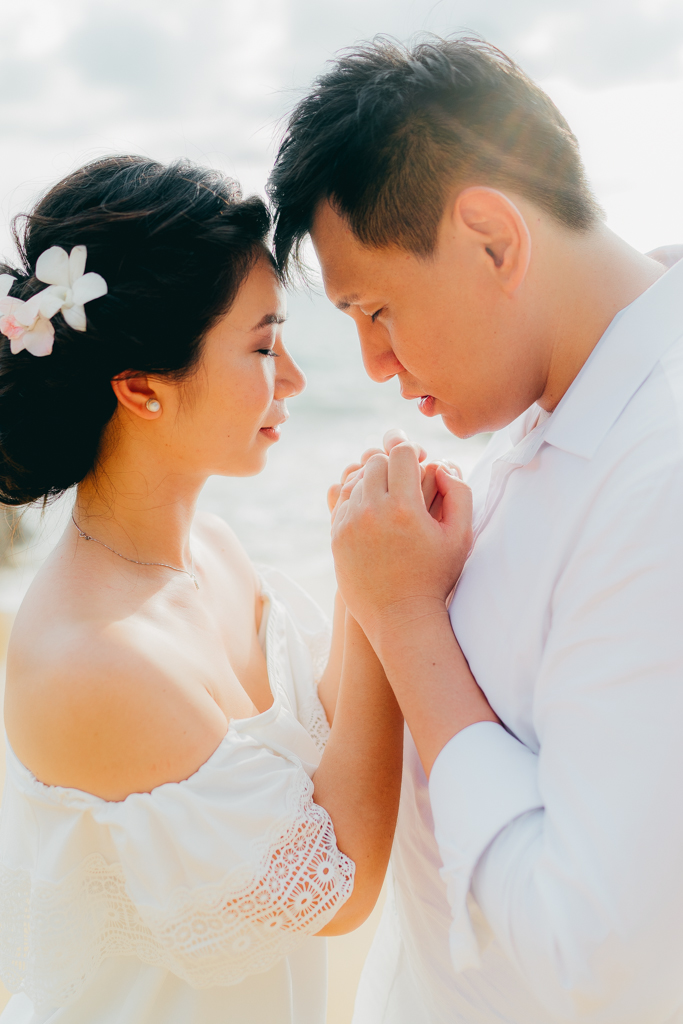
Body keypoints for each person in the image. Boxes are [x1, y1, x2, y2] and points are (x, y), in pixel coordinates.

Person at [268, 36, 683, 1024]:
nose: (370, 363)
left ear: (493, 240)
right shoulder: (544, 409)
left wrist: (405, 619)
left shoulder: (657, 476)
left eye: (375, 309)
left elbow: (599, 959)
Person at [0, 156, 404, 1024]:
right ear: (142, 389)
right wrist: (378, 601)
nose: (293, 377)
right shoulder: (90, 659)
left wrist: (363, 569)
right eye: (262, 345)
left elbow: (328, 738)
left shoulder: (211, 548)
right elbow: (335, 888)